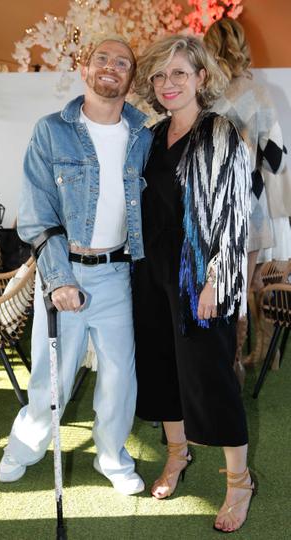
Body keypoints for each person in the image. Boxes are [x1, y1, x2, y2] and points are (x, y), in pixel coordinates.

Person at [0, 36, 152, 496]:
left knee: (121, 378)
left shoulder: (144, 135)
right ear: (85, 68)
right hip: (64, 274)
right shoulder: (51, 131)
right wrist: (60, 280)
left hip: (118, 276)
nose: (111, 66)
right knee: (52, 381)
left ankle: (112, 457)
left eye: (122, 62)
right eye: (101, 58)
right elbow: (37, 216)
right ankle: (21, 450)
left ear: (131, 77)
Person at [132, 35, 255, 533]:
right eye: (160, 75)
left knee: (211, 379)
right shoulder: (152, 134)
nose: (168, 83)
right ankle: (177, 455)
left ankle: (239, 482)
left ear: (202, 77)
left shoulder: (221, 132)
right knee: (161, 371)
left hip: (198, 279)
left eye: (179, 73)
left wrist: (215, 283)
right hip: (151, 273)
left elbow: (234, 215)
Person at [204, 17, 289, 366]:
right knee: (241, 290)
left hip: (204, 210)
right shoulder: (256, 93)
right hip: (246, 208)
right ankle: (243, 362)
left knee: (214, 291)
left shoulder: (201, 92)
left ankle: (223, 367)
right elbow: (276, 161)